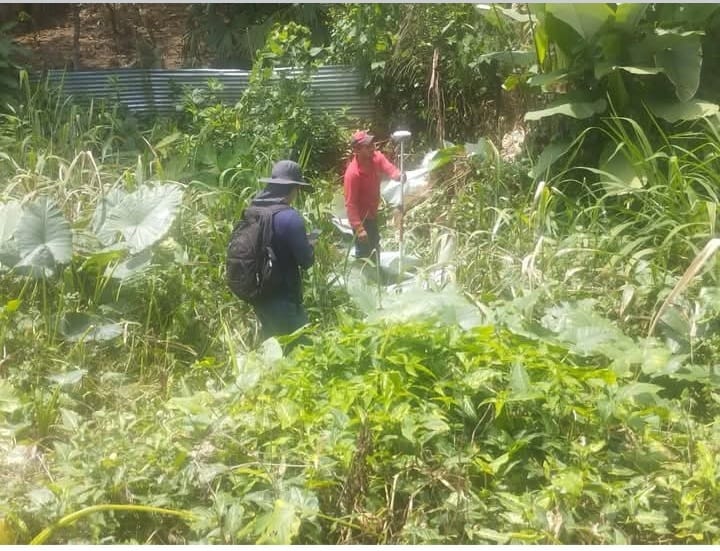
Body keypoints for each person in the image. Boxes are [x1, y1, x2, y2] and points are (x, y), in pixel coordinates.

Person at [250, 160, 316, 342]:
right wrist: (310, 244)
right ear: (293, 188)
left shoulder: (254, 210)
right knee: (302, 349)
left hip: (259, 295)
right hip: (284, 299)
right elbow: (306, 261)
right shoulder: (290, 218)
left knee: (273, 346)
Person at [343, 130, 402, 259]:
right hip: (361, 219)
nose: (372, 148)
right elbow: (350, 204)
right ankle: (365, 268)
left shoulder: (376, 157)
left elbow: (388, 167)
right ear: (357, 150)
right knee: (364, 253)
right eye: (368, 146)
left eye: (372, 144)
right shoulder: (353, 174)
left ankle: (376, 268)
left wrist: (397, 175)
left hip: (372, 213)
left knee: (375, 245)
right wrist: (359, 229)